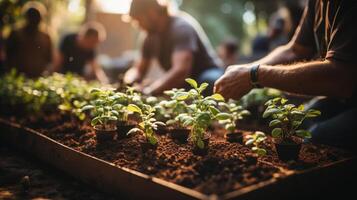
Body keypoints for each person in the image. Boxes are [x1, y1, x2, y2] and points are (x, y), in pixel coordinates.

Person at [214, 0, 357, 151]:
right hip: (345, 99)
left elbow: (341, 78)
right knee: (299, 122)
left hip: (347, 94)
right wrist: (247, 70)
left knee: (318, 138)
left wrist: (254, 76)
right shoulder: (316, 3)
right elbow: (295, 50)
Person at [124, 0, 223, 95]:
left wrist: (150, 91)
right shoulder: (149, 36)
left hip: (206, 74)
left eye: (139, 20)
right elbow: (139, 70)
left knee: (209, 81)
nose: (138, 25)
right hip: (186, 84)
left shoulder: (181, 28)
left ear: (152, 13)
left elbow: (181, 71)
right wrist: (129, 82)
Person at [5, 1, 52, 78]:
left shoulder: (46, 37)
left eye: (36, 17)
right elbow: (8, 57)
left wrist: (45, 74)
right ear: (26, 17)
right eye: (32, 16)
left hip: (38, 79)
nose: (34, 20)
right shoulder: (16, 34)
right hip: (18, 78)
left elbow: (49, 60)